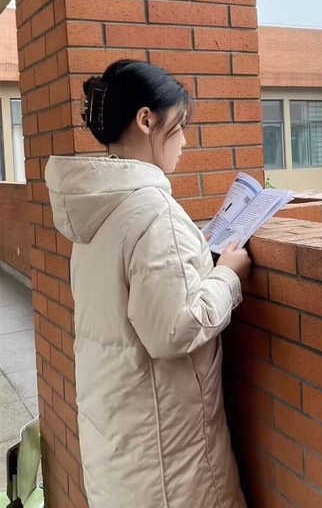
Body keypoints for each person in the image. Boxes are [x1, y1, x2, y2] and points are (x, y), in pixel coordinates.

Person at [44, 60, 251, 508]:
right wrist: (228, 276)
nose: (184, 141)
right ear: (146, 120)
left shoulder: (95, 210)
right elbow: (173, 330)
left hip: (121, 451)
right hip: (168, 468)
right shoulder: (153, 214)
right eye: (179, 126)